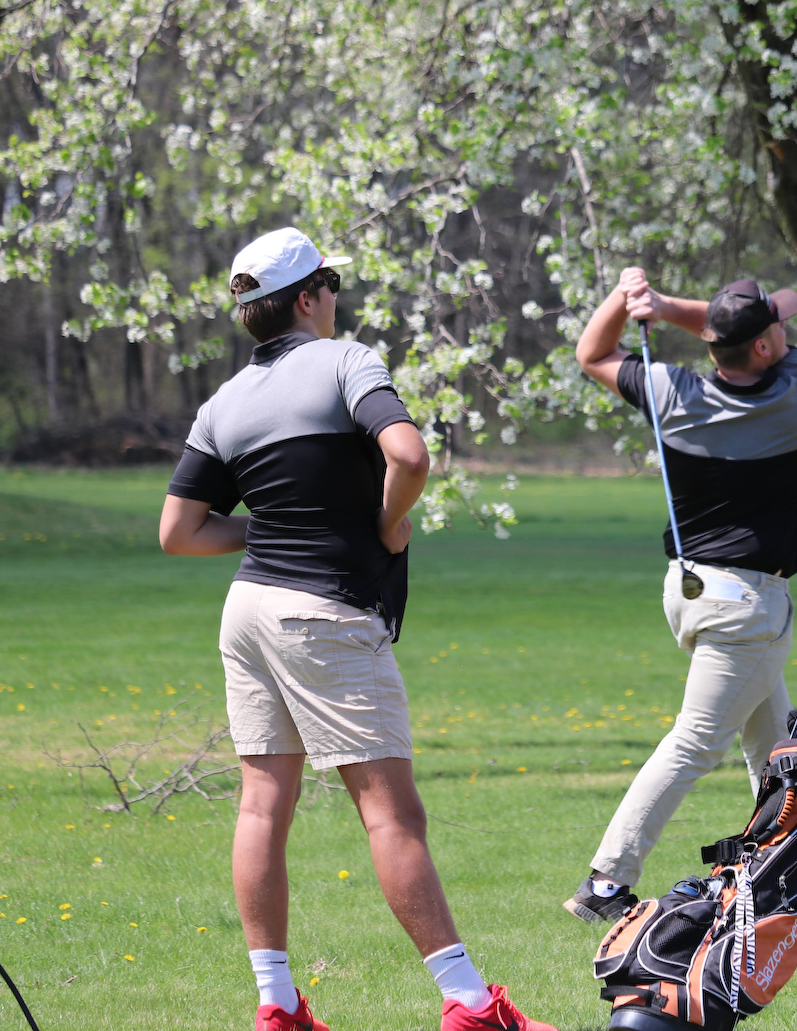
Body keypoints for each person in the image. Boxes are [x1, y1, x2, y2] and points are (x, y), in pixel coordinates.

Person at [159, 228, 555, 1031]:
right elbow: (409, 455)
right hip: (324, 611)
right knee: (391, 814)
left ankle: (277, 1005)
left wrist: (275, 525)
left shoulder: (223, 402)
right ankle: (470, 1004)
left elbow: (178, 531)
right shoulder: (346, 362)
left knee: (261, 807)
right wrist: (384, 520)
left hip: (248, 610)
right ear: (308, 297)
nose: (335, 297)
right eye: (331, 283)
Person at [564, 268, 797, 922]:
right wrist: (676, 307)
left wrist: (631, 300)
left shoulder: (672, 393)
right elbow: (790, 300)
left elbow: (591, 353)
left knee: (775, 742)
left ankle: (794, 870)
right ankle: (605, 882)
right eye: (773, 329)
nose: (784, 327)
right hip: (747, 606)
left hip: (691, 590)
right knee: (696, 743)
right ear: (762, 346)